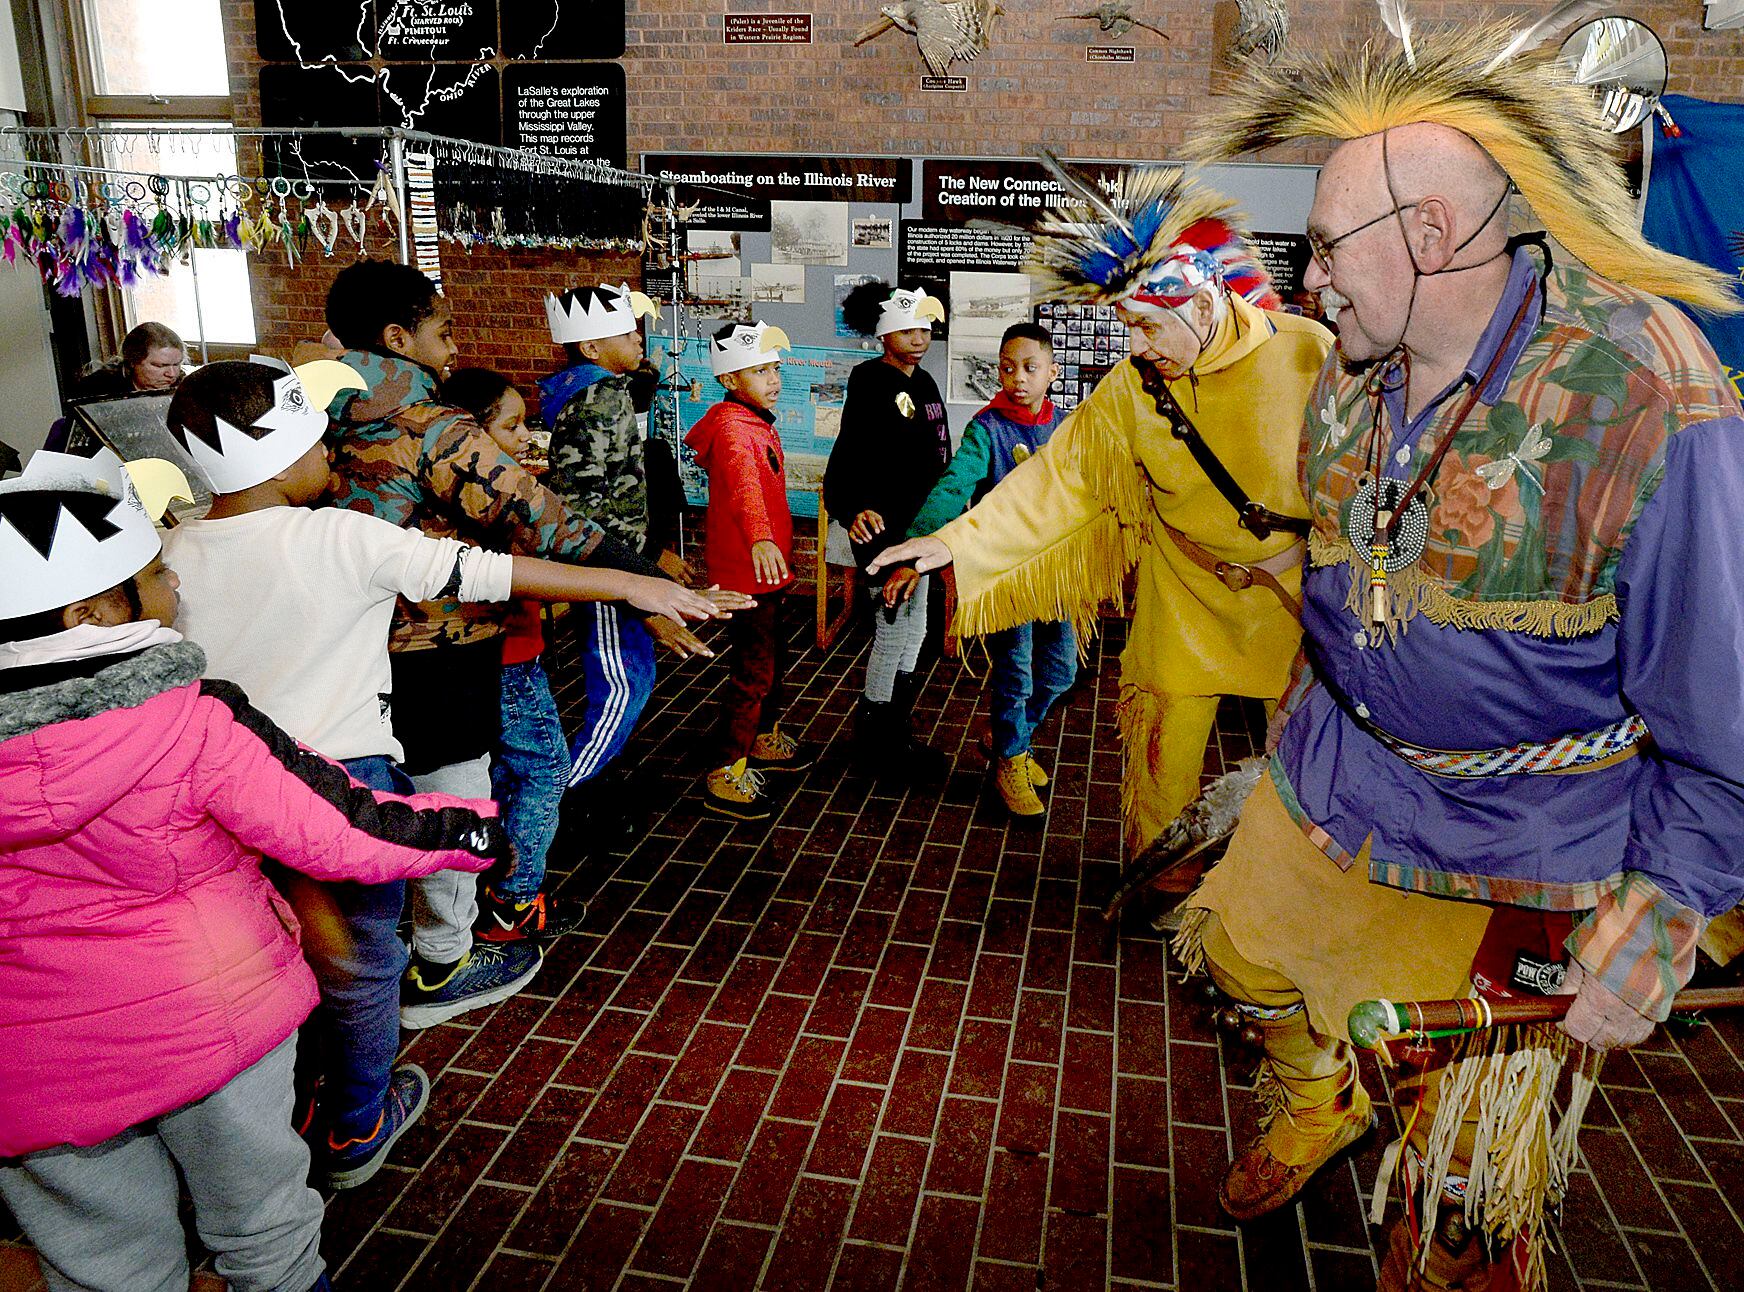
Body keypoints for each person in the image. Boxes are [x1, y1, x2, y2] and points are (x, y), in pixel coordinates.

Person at [1177, 15, 1744, 1287]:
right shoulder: (1350, 361)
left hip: (1528, 846)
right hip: (1338, 774)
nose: (1302, 279)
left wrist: (1663, 906)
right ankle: (1320, 1091)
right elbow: (1346, 565)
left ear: (1431, 239)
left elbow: (1726, 711)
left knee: (1458, 1211)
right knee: (1236, 958)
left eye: (1323, 247)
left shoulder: (1645, 392)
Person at [161, 360, 739, 1185]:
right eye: (318, 440)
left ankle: (287, 1107)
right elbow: (490, 573)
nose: (335, 451)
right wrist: (633, 584)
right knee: (359, 964)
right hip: (340, 790)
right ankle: (356, 1123)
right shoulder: (340, 536)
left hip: (221, 789)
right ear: (285, 457)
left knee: (261, 958)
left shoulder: (171, 552)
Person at [0, 447, 512, 1292]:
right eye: (157, 574)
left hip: (34, 1070)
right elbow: (345, 829)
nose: (176, 589)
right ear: (91, 610)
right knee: (263, 1224)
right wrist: (479, 833)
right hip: (210, 1025)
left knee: (100, 1265)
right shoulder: (190, 723)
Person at [872, 170, 1332, 863]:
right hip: (1184, 600)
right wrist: (948, 543)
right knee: (1161, 757)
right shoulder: (1132, 389)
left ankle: (1278, 895)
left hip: (1294, 604)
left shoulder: (1309, 352)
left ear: (1204, 306)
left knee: (1302, 774)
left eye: (1148, 327)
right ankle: (1160, 878)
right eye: (1128, 328)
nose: (1137, 347)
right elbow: (1061, 481)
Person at [320, 260, 701, 1030]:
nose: (454, 344)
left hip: (355, 640)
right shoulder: (430, 429)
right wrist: (643, 579)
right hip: (441, 640)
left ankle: (420, 944)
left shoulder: (324, 417)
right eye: (443, 328)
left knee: (394, 793)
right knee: (453, 795)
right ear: (399, 337)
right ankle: (444, 964)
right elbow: (545, 519)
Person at [884, 322, 1072, 819]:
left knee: (1061, 669)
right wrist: (916, 549)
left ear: (1053, 372)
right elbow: (952, 487)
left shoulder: (1067, 426)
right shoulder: (986, 429)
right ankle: (1010, 759)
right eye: (1008, 367)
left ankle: (1010, 736)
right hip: (1005, 575)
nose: (1018, 378)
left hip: (1056, 573)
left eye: (1030, 368)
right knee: (1016, 670)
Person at [539, 283, 667, 833]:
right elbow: (584, 500)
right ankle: (568, 796)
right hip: (609, 567)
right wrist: (629, 567)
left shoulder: (594, 389)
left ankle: (598, 774)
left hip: (618, 563)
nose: (638, 339)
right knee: (623, 682)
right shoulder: (599, 397)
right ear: (590, 348)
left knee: (626, 675)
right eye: (625, 332)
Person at [823, 283, 953, 782]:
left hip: (919, 528)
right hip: (882, 530)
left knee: (915, 628)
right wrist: (851, 508)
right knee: (892, 629)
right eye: (907, 328)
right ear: (883, 333)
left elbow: (936, 454)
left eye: (924, 327)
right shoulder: (869, 380)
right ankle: (875, 742)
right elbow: (848, 454)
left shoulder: (924, 382)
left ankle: (896, 732)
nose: (918, 337)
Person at [685, 322, 814, 820]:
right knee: (753, 671)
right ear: (729, 380)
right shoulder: (737, 430)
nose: (773, 378)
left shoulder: (752, 420)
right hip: (746, 574)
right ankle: (727, 770)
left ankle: (761, 738)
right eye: (759, 370)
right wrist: (761, 535)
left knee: (770, 662)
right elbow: (744, 488)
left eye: (774, 368)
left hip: (764, 571)